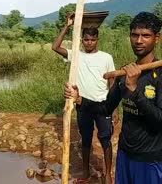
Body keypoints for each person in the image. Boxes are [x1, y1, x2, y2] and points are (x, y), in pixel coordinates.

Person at [65, 12, 162, 183]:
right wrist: (80, 99)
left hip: (150, 159)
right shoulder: (124, 73)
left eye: (145, 35)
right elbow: (105, 108)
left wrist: (133, 90)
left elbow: (159, 121)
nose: (139, 41)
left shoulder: (159, 75)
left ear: (157, 38)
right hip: (125, 155)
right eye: (134, 35)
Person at [52, 14, 115, 183]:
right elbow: (55, 47)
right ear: (82, 40)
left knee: (105, 139)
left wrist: (114, 108)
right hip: (82, 104)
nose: (89, 43)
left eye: (92, 40)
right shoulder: (76, 55)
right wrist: (67, 26)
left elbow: (112, 84)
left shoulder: (106, 57)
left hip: (103, 105)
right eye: (86, 40)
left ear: (97, 40)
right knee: (85, 139)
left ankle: (108, 174)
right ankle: (86, 172)